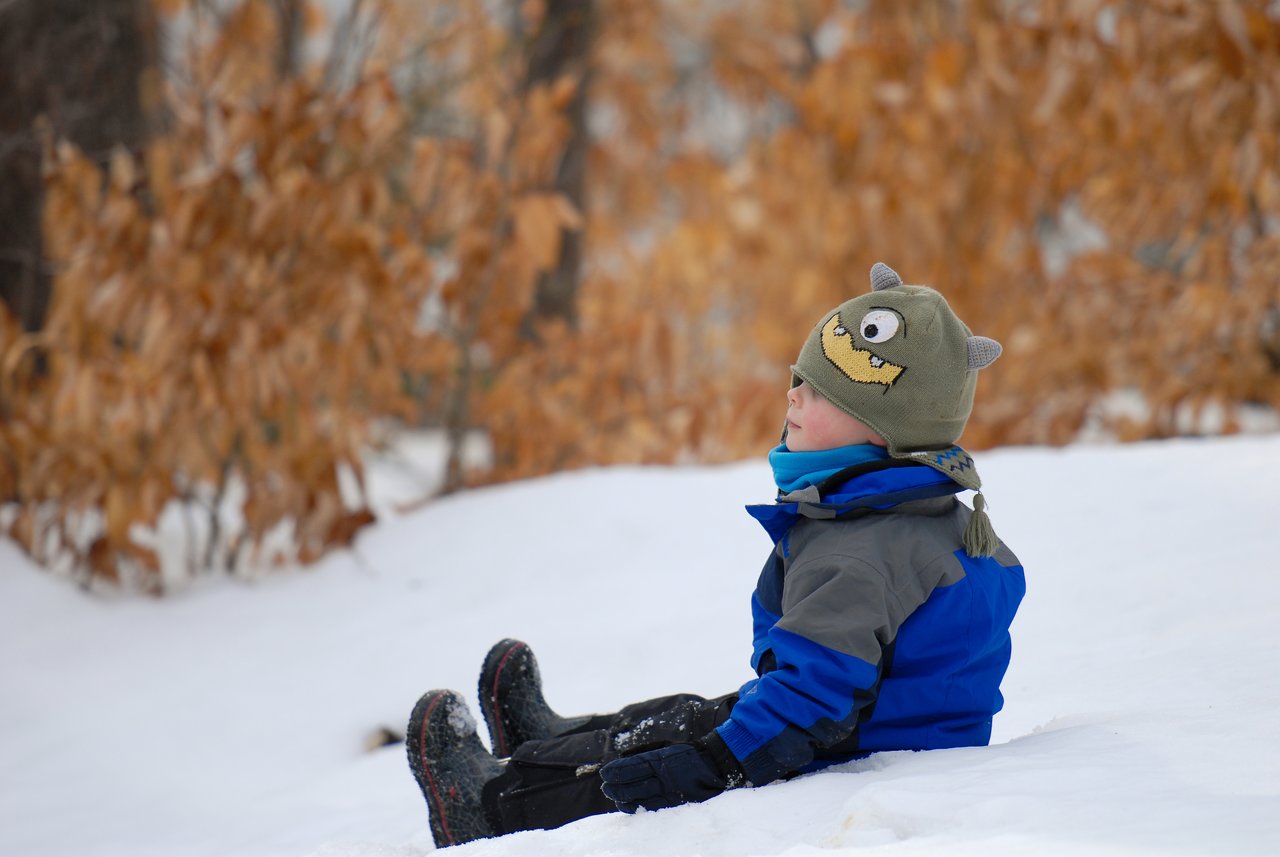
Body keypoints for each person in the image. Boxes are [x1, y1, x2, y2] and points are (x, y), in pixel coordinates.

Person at [405, 262, 1027, 847]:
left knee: (655, 772)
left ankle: (490, 808)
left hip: (856, 758)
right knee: (683, 716)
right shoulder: (916, 517)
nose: (792, 399)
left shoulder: (864, 551)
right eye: (798, 380)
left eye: (818, 392)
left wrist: (708, 765)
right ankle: (546, 743)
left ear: (884, 430)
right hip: (875, 737)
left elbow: (810, 711)